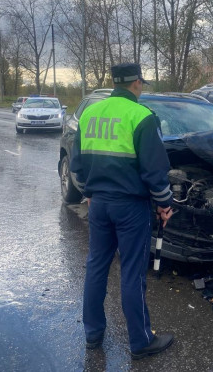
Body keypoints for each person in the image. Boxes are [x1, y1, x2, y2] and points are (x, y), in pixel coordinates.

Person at [70, 62, 175, 360]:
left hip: (99, 205)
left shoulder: (90, 114)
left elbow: (77, 167)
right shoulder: (141, 116)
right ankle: (141, 342)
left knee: (96, 267)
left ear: (115, 82)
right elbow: (154, 172)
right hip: (130, 207)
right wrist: (165, 204)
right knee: (131, 272)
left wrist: (90, 193)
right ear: (137, 83)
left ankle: (93, 335)